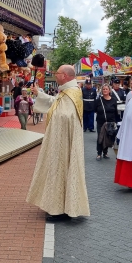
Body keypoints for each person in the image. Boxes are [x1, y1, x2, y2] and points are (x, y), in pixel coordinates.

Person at [26, 65, 90, 218]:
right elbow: (57, 104)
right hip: (61, 138)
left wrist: (54, 116)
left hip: (64, 140)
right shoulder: (67, 91)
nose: (55, 75)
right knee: (58, 168)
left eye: (57, 73)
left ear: (65, 76)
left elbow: (65, 116)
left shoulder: (72, 92)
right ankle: (59, 205)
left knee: (62, 167)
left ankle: (61, 209)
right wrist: (40, 94)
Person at [95, 84, 119, 160]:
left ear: (109, 90)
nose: (105, 90)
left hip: (110, 122)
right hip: (101, 122)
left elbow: (115, 111)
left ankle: (105, 152)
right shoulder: (99, 100)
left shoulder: (113, 100)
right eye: (103, 89)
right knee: (100, 137)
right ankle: (99, 153)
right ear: (102, 91)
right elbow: (95, 110)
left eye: (106, 89)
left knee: (108, 137)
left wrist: (115, 122)